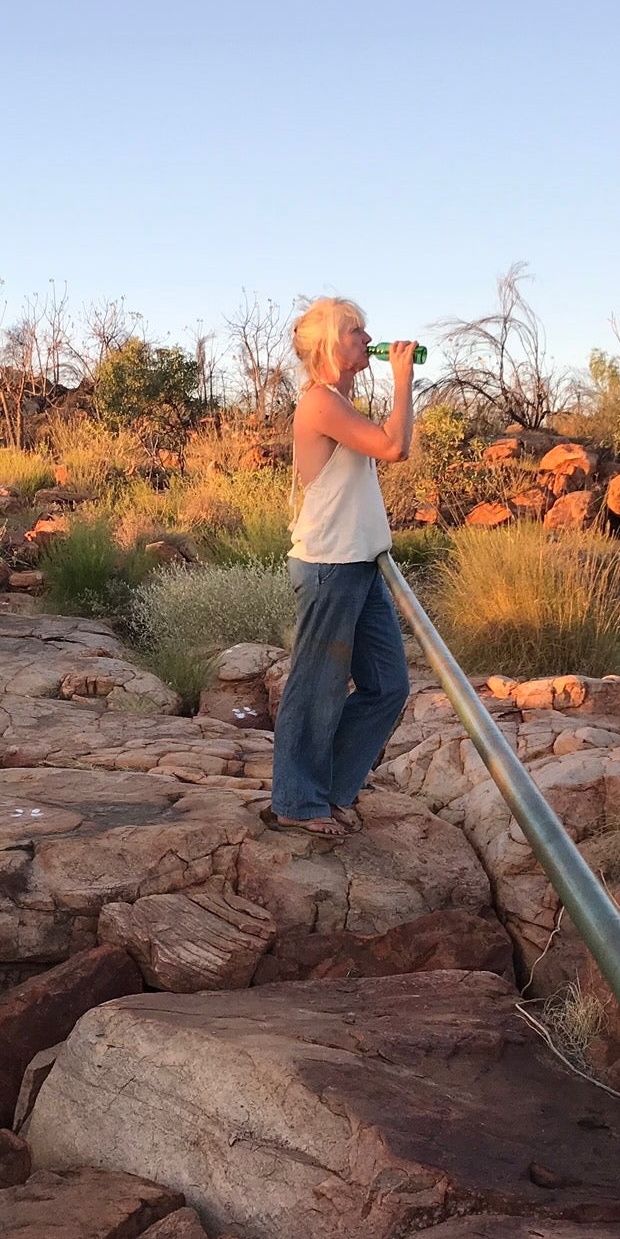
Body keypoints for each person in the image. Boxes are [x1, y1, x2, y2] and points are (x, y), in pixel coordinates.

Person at [270, 297, 417, 837]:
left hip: (360, 561)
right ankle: (296, 800)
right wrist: (403, 379)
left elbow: (385, 444)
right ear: (331, 343)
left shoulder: (339, 399)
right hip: (329, 564)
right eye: (355, 330)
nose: (367, 337)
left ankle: (328, 788)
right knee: (317, 687)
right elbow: (394, 447)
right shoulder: (318, 403)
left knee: (389, 686)